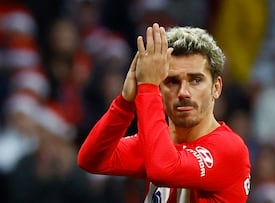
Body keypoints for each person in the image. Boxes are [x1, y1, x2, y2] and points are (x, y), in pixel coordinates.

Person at [78, 23, 251, 202]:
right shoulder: (158, 143)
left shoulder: (230, 149)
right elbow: (91, 160)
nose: (183, 92)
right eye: (172, 81)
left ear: (216, 88)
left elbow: (163, 169)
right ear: (160, 89)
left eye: (196, 80)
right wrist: (125, 103)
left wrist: (148, 87)